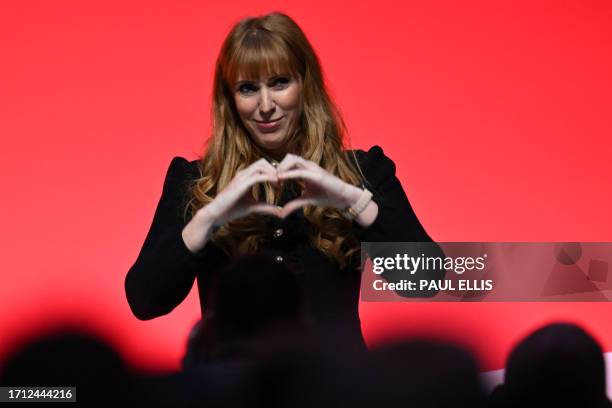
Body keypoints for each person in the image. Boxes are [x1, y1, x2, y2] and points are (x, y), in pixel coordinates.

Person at [124, 11, 442, 357]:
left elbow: (426, 281)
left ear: (305, 83)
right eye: (248, 88)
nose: (265, 106)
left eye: (279, 83)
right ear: (230, 99)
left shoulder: (363, 172)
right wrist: (207, 217)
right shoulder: (196, 181)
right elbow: (145, 300)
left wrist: (352, 199)